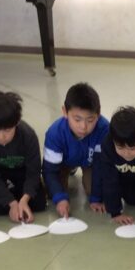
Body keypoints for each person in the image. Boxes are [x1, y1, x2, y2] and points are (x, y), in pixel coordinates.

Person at [0, 90, 46, 222]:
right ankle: (11, 195)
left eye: (7, 130)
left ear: (17, 122)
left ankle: (18, 194)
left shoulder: (28, 135)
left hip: (21, 170)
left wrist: (25, 199)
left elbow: (34, 171)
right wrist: (12, 203)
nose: (1, 136)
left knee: (38, 204)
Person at [43, 83, 110, 219]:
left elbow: (101, 165)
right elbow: (49, 171)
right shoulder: (55, 133)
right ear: (64, 112)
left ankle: (78, 167)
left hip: (91, 163)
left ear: (98, 114)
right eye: (77, 119)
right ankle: (70, 168)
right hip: (63, 162)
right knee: (52, 192)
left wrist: (95, 198)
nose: (83, 127)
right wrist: (60, 198)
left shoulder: (104, 130)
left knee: (97, 190)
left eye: (90, 120)